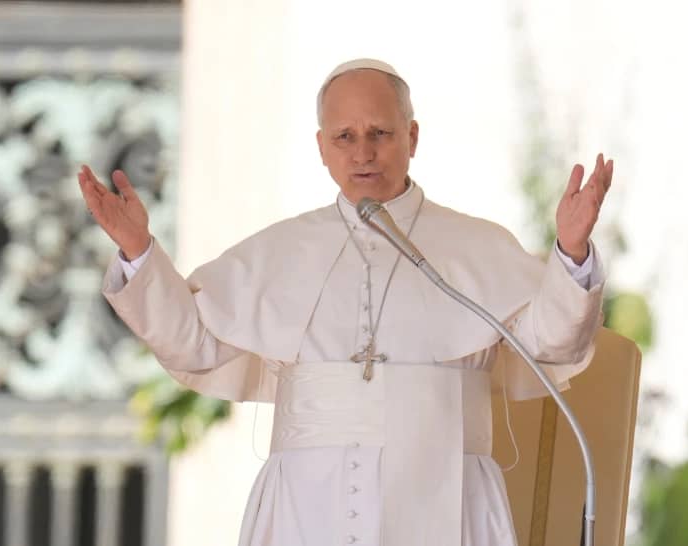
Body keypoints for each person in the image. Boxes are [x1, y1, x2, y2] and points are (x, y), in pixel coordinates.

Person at [78, 58, 612, 546]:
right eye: (344, 136)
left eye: (380, 133)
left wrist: (570, 251)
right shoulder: (279, 250)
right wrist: (138, 251)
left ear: (412, 136)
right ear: (321, 147)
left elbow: (551, 344)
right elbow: (193, 346)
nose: (363, 152)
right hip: (304, 508)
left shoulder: (478, 245)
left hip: (450, 498)